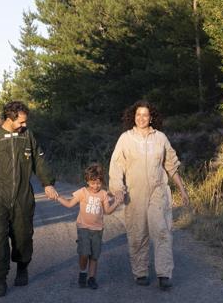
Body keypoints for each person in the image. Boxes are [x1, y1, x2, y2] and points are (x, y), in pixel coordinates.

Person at [0, 101, 59, 297]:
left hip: (23, 196)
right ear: (9, 118)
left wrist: (47, 183)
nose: (24, 125)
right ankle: (0, 279)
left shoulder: (27, 136)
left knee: (23, 236)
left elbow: (39, 160)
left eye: (25, 122)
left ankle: (22, 268)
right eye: (21, 122)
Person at [109, 100, 189, 291]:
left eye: (145, 115)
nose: (142, 118)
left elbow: (171, 165)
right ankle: (140, 271)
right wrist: (118, 189)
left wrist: (183, 190)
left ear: (151, 117)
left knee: (162, 231)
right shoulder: (126, 138)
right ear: (133, 117)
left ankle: (164, 274)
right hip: (134, 194)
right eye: (138, 115)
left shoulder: (160, 138)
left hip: (157, 191)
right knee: (138, 234)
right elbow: (116, 165)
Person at [54, 163, 120, 289]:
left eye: (99, 183)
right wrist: (57, 197)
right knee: (84, 253)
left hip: (97, 230)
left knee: (94, 256)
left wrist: (116, 202)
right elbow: (69, 204)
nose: (96, 186)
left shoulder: (104, 194)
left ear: (102, 181)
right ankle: (83, 272)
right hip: (83, 228)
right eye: (93, 182)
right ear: (87, 181)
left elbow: (107, 211)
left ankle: (92, 278)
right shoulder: (82, 192)